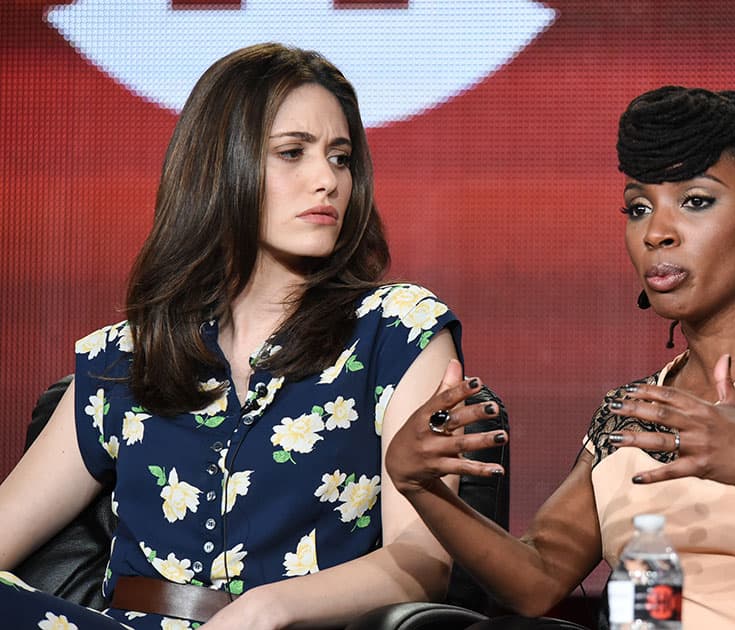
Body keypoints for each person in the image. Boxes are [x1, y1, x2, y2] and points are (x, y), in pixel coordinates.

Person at [385, 86, 735, 630]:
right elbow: (539, 578)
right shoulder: (633, 411)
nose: (657, 233)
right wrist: (419, 486)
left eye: (696, 201)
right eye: (639, 208)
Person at [0, 43, 469, 629]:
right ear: (220, 165)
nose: (327, 180)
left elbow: (423, 559)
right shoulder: (127, 355)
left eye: (341, 158)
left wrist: (268, 608)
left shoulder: (399, 329)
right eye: (293, 153)